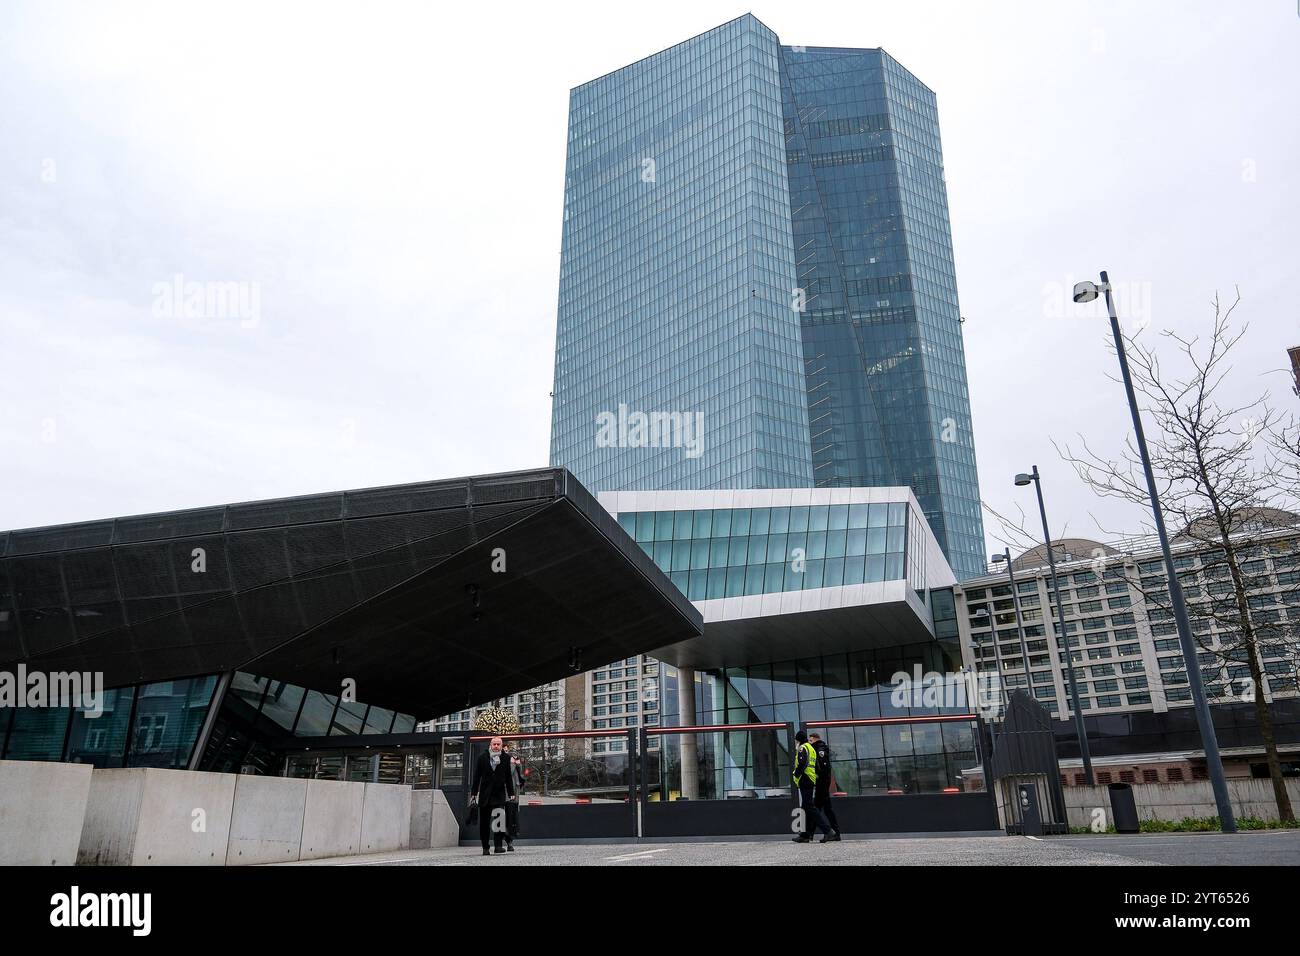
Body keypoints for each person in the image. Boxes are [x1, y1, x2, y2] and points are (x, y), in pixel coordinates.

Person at [470, 736, 516, 856]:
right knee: (484, 823)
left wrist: (511, 793)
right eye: (494, 744)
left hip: (499, 795)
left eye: (498, 744)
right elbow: (476, 777)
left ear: (501, 746)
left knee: (499, 821)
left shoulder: (506, 758)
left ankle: (498, 846)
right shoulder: (482, 757)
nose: (496, 746)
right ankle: (485, 847)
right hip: (485, 795)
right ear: (490, 745)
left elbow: (508, 777)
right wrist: (474, 793)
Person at [791, 730, 831, 843]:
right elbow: (816, 766)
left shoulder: (802, 748)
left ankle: (828, 830)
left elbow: (802, 763)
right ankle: (805, 835)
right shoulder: (811, 748)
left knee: (809, 807)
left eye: (796, 740)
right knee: (805, 807)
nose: (796, 742)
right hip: (810, 779)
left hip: (805, 779)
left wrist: (796, 773)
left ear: (799, 740)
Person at [808, 732, 842, 842]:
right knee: (826, 809)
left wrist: (818, 776)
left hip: (821, 782)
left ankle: (813, 833)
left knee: (816, 808)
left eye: (810, 740)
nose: (809, 742)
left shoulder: (820, 748)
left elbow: (823, 765)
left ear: (814, 739)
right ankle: (835, 833)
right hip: (823, 781)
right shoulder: (819, 747)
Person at [503, 742, 525, 851]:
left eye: (508, 751)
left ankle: (510, 841)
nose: (507, 754)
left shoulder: (512, 761)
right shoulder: (502, 762)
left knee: (513, 819)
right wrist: (512, 764)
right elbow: (507, 775)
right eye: (505, 751)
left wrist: (518, 765)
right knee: (507, 819)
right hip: (506, 796)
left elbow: (521, 777)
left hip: (514, 797)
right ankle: (506, 841)